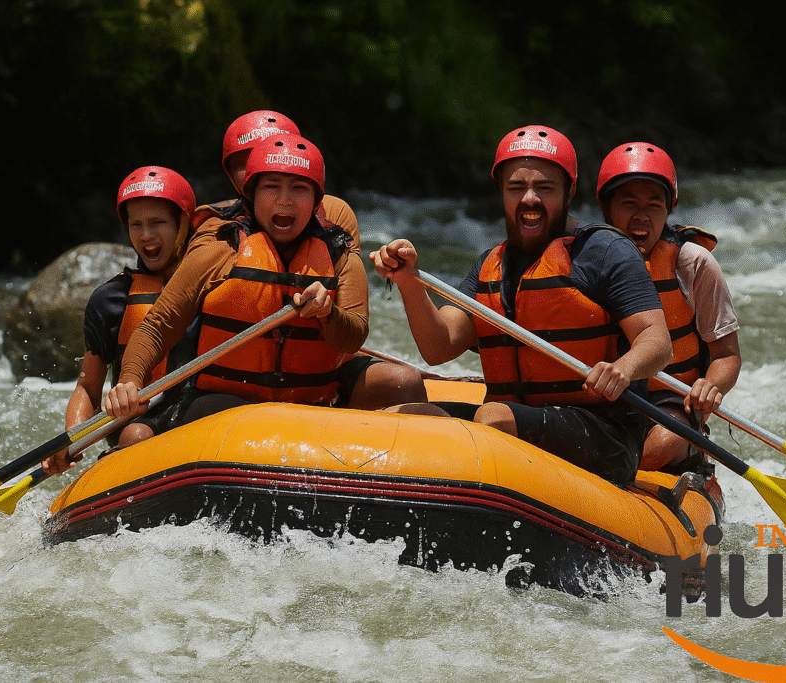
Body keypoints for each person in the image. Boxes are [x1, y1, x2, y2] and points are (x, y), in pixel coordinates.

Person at [370, 125, 672, 485]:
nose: (530, 199)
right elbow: (439, 347)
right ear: (502, 191)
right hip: (515, 418)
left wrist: (623, 368)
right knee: (402, 416)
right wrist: (409, 282)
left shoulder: (606, 251)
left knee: (493, 418)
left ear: (569, 192)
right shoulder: (490, 265)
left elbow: (657, 342)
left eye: (544, 188)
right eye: (516, 188)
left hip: (604, 433)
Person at [103, 134, 426, 424]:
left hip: (314, 398)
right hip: (222, 400)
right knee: (249, 418)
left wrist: (329, 314)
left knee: (404, 381)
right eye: (272, 186)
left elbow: (353, 338)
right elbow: (159, 326)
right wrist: (129, 380)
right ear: (252, 195)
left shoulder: (339, 251)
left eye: (298, 188)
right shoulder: (219, 245)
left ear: (316, 201)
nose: (284, 199)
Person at [596, 142, 741, 474]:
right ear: (606, 207)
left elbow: (727, 355)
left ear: (669, 209)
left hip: (671, 401)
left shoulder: (692, 264)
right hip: (604, 396)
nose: (642, 216)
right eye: (629, 204)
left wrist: (711, 386)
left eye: (654, 205)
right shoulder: (583, 259)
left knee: (666, 443)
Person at [43, 166, 198, 474]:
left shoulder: (213, 289)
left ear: (183, 224)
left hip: (197, 418)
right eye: (135, 224)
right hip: (137, 426)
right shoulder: (111, 299)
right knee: (134, 435)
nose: (146, 235)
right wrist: (72, 439)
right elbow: (88, 387)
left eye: (158, 222)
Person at [194, 110, 360, 254]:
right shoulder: (212, 227)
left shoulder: (335, 213)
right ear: (230, 174)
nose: (258, 168)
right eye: (246, 164)